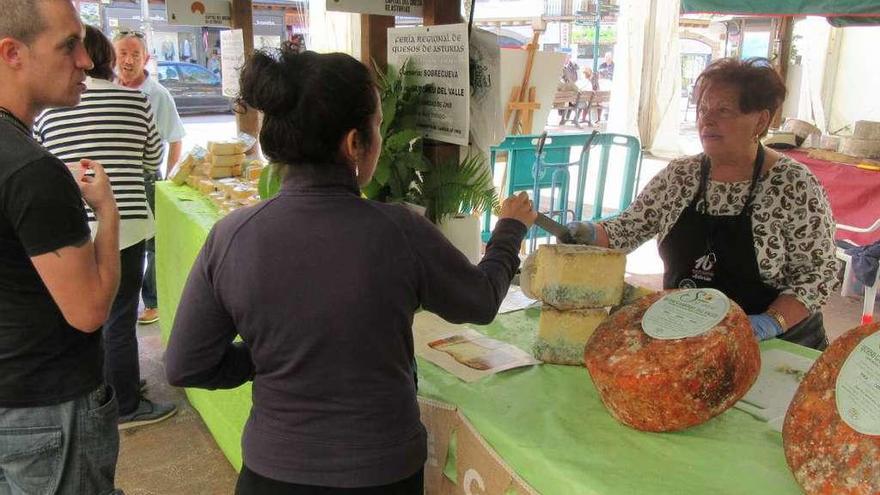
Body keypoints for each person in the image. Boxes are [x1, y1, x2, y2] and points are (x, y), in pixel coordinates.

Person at [165, 45, 536, 494]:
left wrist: (265, 357)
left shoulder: (231, 236)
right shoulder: (399, 230)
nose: (380, 140)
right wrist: (510, 231)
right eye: (377, 127)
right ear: (353, 143)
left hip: (273, 473)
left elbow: (186, 365)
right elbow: (480, 301)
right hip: (382, 472)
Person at [566, 58, 838, 350]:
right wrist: (591, 234)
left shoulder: (793, 185)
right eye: (702, 110)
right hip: (692, 338)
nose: (707, 120)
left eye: (723, 110)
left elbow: (817, 275)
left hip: (778, 344)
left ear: (760, 121)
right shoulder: (680, 175)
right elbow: (627, 229)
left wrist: (770, 322)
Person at [0, 1, 122, 492]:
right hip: (46, 408)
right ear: (13, 53)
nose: (87, 61)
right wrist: (108, 211)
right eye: (69, 45)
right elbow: (89, 309)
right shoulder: (31, 171)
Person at [34, 25, 177, 430]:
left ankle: (93, 396)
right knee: (119, 316)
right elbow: (153, 161)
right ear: (109, 59)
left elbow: (43, 166)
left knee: (77, 315)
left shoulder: (49, 110)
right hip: (127, 224)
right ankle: (126, 404)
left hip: (72, 227)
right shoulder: (135, 103)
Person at [113, 30, 186, 326]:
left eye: (135, 55)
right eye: (122, 54)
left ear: (147, 58)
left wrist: (167, 178)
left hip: (145, 176)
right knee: (118, 239)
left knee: (151, 243)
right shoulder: (108, 89)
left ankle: (152, 301)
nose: (128, 61)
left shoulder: (157, 94)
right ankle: (119, 301)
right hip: (115, 177)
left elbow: (175, 138)